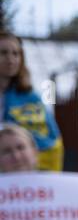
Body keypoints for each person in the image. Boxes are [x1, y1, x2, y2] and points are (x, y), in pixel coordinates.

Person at [0, 33, 62, 171]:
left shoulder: (33, 98)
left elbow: (52, 140)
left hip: (27, 180)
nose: (10, 59)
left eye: (16, 54)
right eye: (3, 53)